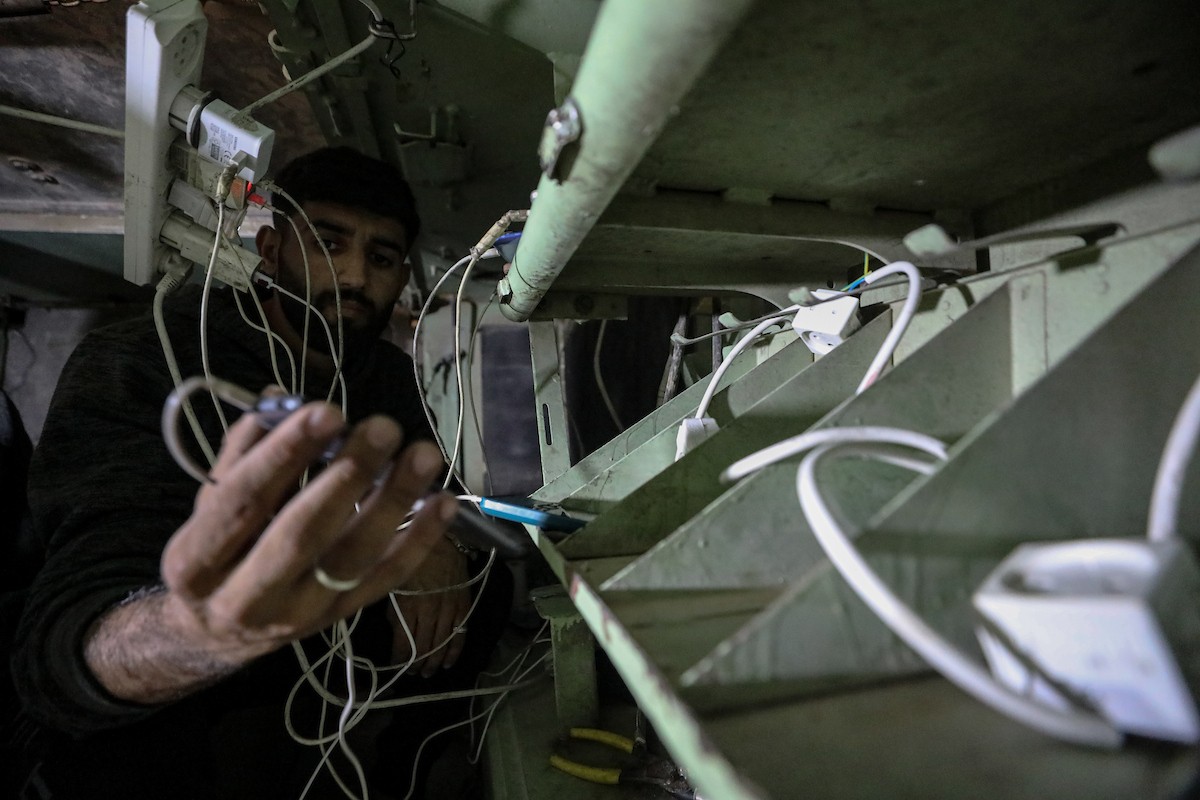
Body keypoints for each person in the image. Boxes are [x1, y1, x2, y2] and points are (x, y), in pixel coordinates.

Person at [10, 147, 511, 799]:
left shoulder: (386, 377)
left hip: (321, 647)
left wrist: (431, 534)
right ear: (271, 251)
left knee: (486, 593)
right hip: (164, 655)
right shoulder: (146, 360)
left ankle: (397, 775)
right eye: (329, 244)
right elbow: (64, 643)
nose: (355, 276)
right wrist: (202, 632)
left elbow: (440, 489)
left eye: (382, 258)